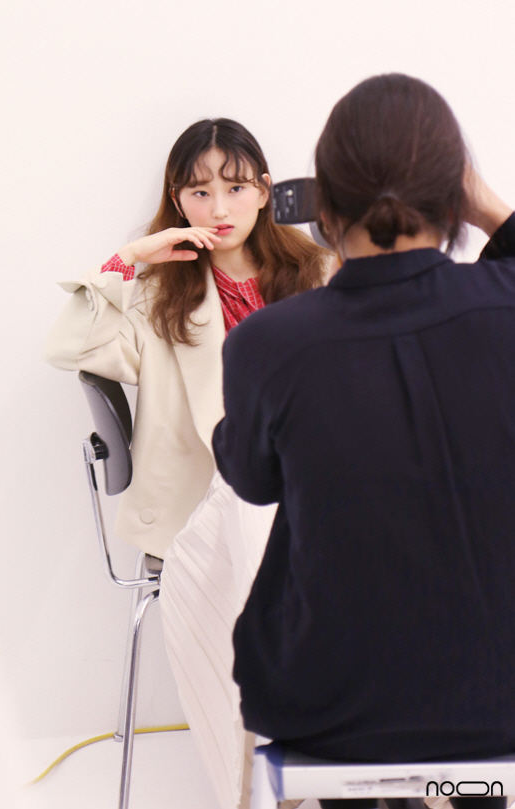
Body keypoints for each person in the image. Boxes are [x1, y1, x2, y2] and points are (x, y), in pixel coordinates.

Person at [213, 74, 515, 809]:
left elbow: (251, 479)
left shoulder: (269, 344)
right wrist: (487, 208)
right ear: (453, 196)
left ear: (326, 209)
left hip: (331, 700)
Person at [43, 117, 328, 809]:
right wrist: (130, 257)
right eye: (199, 192)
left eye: (235, 187)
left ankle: (353, 765)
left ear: (266, 190)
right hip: (207, 511)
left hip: (317, 494)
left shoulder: (318, 273)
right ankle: (274, 781)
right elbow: (67, 347)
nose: (219, 208)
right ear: (177, 200)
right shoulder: (156, 293)